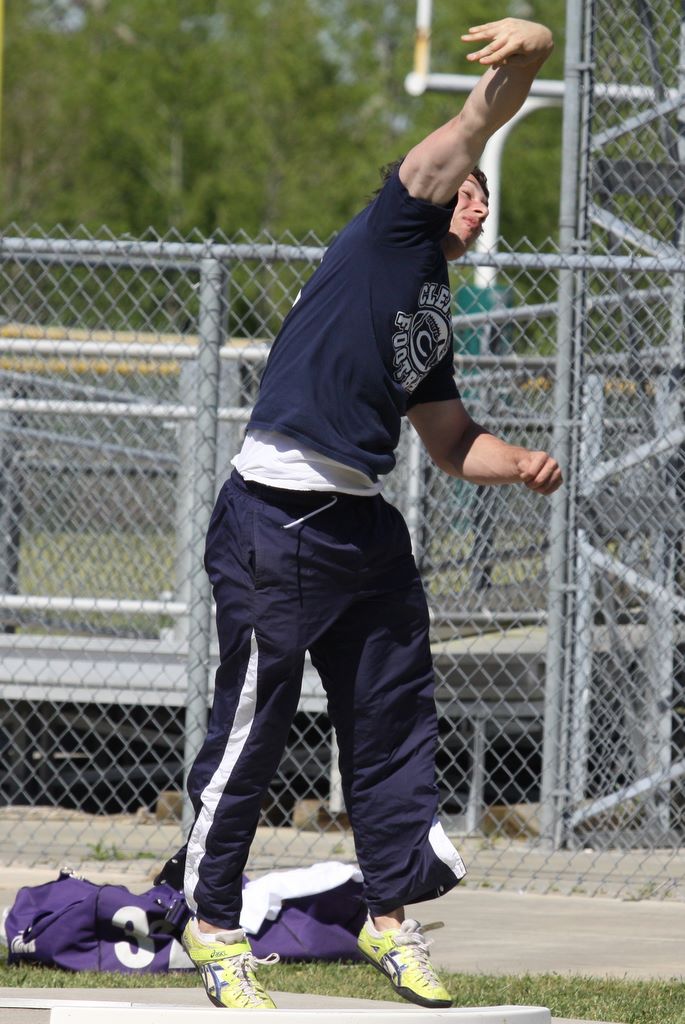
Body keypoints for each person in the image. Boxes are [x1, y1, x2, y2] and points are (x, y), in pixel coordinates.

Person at [173, 15, 561, 1011]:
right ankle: (211, 923)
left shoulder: (427, 305)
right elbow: (473, 123)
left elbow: (447, 437)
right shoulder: (392, 228)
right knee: (255, 729)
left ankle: (387, 915)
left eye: (483, 196)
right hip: (277, 515)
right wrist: (530, 54)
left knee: (392, 721)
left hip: (358, 525)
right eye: (465, 187)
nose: (475, 199)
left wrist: (516, 463)